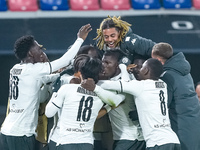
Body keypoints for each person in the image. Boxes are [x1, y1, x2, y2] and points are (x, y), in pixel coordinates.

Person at [0, 24, 92, 150]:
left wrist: (58, 74)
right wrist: (80, 39)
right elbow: (64, 60)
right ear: (31, 53)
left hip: (6, 131)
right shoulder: (33, 69)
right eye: (39, 49)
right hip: (21, 133)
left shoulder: (15, 69)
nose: (42, 51)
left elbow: (42, 85)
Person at [82, 58, 181, 150]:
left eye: (142, 67)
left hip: (157, 142)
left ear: (146, 71)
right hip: (173, 139)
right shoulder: (162, 84)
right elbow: (129, 83)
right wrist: (126, 71)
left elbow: (111, 84)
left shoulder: (140, 86)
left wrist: (88, 83)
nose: (138, 70)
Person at [45, 54, 125, 150]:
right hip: (87, 144)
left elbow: (49, 113)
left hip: (66, 142)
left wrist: (54, 93)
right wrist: (109, 106)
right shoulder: (101, 94)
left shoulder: (67, 89)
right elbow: (118, 100)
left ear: (81, 72)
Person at [151, 42, 200, 150]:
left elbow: (162, 105)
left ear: (158, 60)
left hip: (180, 123)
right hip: (194, 121)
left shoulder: (167, 76)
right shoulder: (184, 71)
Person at [100, 49, 146, 150]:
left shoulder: (126, 82)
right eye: (102, 62)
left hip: (130, 140)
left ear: (118, 65)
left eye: (107, 62)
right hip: (130, 139)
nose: (103, 65)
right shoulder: (121, 79)